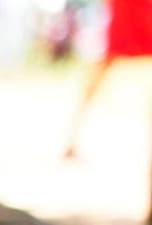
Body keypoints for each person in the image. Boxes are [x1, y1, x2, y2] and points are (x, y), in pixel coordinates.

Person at [65, 0, 152, 158]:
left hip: (140, 13)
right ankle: (72, 138)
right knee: (99, 73)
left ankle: (72, 138)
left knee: (100, 72)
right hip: (126, 15)